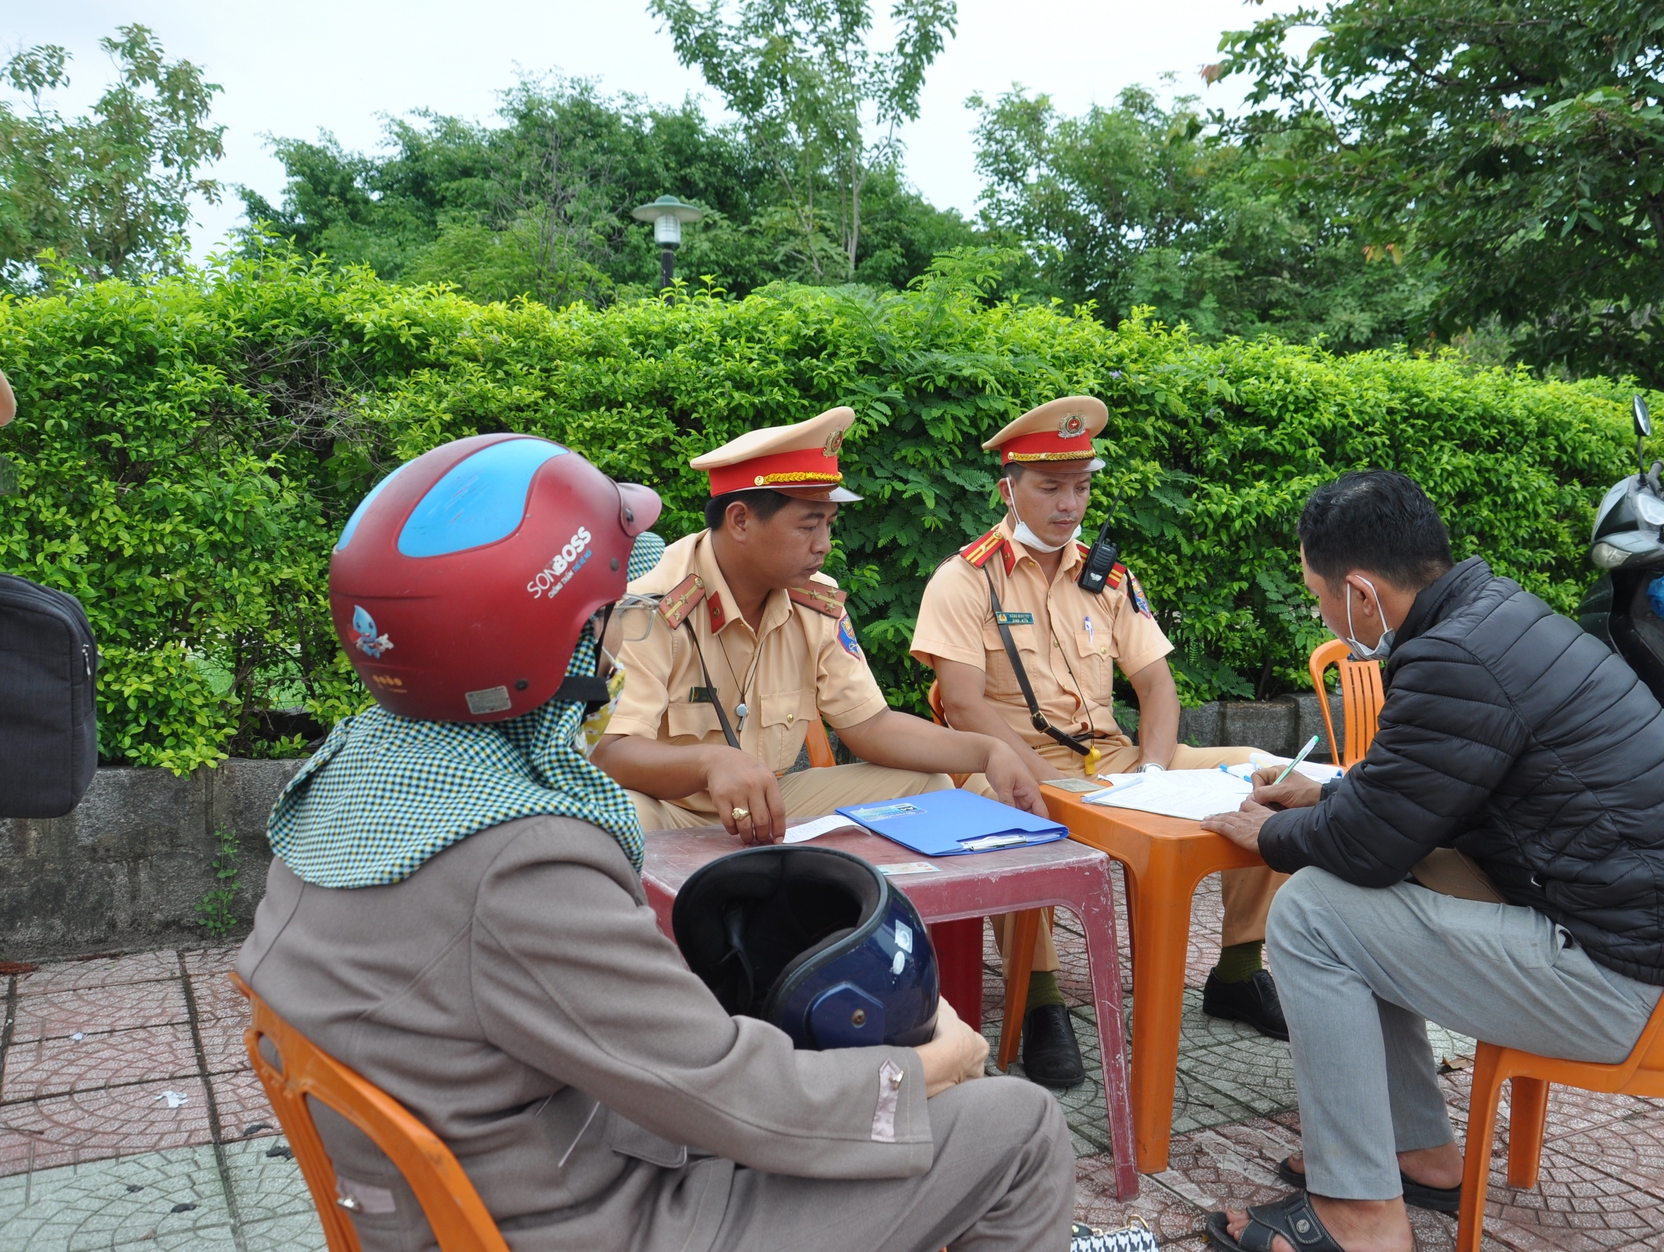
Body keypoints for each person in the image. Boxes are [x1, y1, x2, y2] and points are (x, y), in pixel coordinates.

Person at [239, 433, 1075, 1252]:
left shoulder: (346, 783)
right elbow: (739, 1097)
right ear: (553, 637)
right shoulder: (525, 861)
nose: (622, 636)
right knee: (1019, 1124)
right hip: (585, 1214)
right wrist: (928, 1065)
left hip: (494, 1168)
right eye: (611, 615)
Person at [1199, 469, 1664, 1252]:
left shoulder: (1452, 657)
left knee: (1312, 911)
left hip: (1630, 989)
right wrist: (1324, 795)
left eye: (1318, 595)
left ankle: (1359, 1218)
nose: (1321, 612)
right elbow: (1419, 794)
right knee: (1364, 893)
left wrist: (1267, 835)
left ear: (1361, 592)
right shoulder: (1497, 616)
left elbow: (1370, 844)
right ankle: (1419, 1153)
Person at [910, 396, 1288, 1089]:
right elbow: (962, 703)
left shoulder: (1108, 577)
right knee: (1000, 805)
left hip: (1115, 760)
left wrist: (1153, 773)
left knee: (1268, 775)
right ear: (1008, 489)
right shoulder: (963, 580)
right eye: (1050, 487)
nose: (1069, 504)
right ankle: (1041, 1001)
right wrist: (1039, 776)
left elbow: (1158, 688)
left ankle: (1238, 968)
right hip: (1011, 762)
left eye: (1081, 487)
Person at [594, 407, 1046, 842]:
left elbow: (871, 726)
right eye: (809, 526)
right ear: (740, 520)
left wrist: (988, 750)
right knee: (616, 818)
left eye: (829, 524)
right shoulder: (652, 607)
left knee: (929, 787)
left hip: (772, 806)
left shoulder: (815, 601)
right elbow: (609, 751)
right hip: (670, 812)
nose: (825, 545)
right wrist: (710, 763)